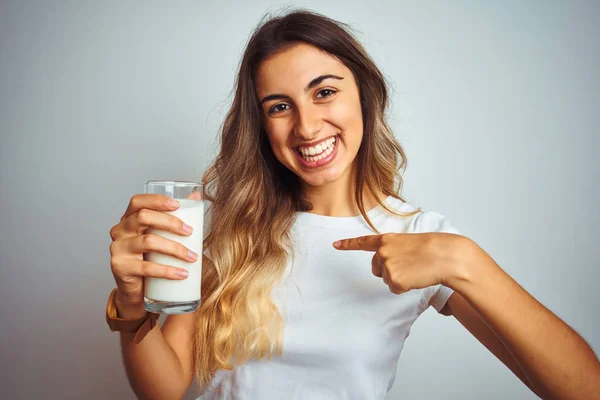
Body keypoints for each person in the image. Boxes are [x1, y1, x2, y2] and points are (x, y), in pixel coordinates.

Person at [107, 10, 600, 400]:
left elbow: (582, 389)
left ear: (364, 95)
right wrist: (131, 305)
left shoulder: (423, 238)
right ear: (262, 126)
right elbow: (164, 388)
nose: (305, 127)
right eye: (279, 106)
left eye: (324, 92)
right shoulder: (234, 232)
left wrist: (463, 260)